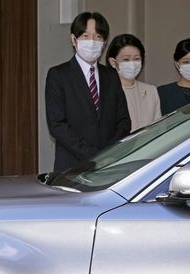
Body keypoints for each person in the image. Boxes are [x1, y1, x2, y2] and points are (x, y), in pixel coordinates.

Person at [45, 12, 131, 172]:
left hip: (109, 166)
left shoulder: (111, 76)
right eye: (85, 36)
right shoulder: (58, 75)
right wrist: (93, 156)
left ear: (104, 42)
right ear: (73, 40)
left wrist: (108, 154)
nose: (92, 42)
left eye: (98, 37)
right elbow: (57, 124)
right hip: (71, 166)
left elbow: (124, 121)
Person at [106, 34, 161, 131]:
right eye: (126, 59)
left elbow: (158, 128)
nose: (132, 63)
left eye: (137, 59)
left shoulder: (151, 90)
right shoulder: (106, 91)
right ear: (113, 62)